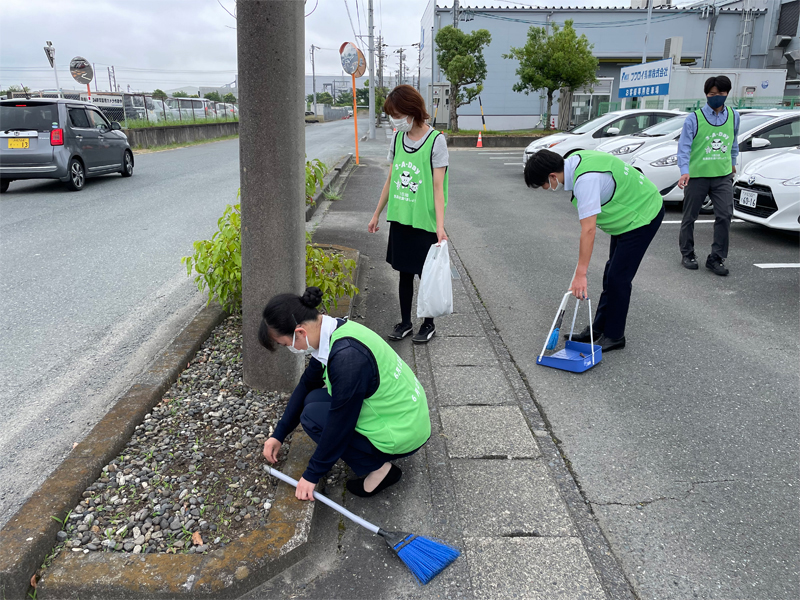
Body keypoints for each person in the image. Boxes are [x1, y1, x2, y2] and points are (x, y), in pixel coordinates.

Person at [259, 287, 431, 501]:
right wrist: (279, 434)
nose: (290, 349)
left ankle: (380, 469)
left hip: (403, 432)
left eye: (286, 344)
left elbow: (341, 423)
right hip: (406, 414)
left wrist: (312, 474)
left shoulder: (346, 358)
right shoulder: (333, 331)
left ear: (300, 332)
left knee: (312, 417)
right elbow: (307, 385)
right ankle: (372, 455)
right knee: (311, 400)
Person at [524, 149, 665, 352]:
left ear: (552, 176)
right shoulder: (576, 161)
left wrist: (581, 274)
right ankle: (598, 329)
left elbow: (588, 230)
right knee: (611, 273)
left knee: (618, 277)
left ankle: (615, 336)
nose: (546, 189)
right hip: (628, 215)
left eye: (544, 185)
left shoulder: (586, 181)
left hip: (643, 214)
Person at [368, 84, 449, 344]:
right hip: (401, 218)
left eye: (397, 114)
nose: (395, 119)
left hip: (424, 221)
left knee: (426, 275)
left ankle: (428, 323)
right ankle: (405, 322)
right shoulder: (397, 139)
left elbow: (439, 187)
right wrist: (376, 213)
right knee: (403, 273)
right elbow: (391, 178)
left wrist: (440, 225)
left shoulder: (436, 140)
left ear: (412, 111)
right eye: (392, 114)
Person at [677, 75, 740, 276]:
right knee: (690, 216)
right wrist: (684, 171)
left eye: (721, 94)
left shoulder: (733, 115)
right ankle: (687, 253)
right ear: (706, 94)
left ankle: (716, 258)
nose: (716, 97)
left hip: (722, 176)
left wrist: (732, 163)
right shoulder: (694, 118)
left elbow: (733, 141)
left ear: (727, 94)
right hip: (697, 176)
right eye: (712, 94)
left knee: (724, 215)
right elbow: (684, 147)